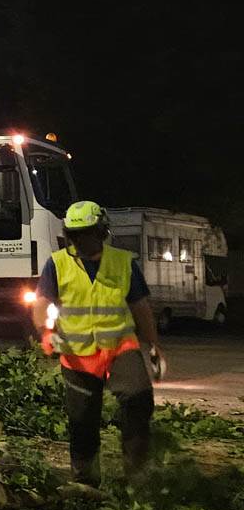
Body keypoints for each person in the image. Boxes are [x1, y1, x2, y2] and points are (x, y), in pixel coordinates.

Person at [31, 201, 161, 485]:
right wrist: (46, 330)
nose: (78, 241)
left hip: (119, 347)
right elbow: (42, 302)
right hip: (76, 355)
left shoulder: (124, 262)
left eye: (85, 234)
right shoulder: (57, 263)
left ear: (101, 232)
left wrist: (152, 347)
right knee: (82, 420)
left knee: (138, 399)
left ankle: (137, 476)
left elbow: (141, 308)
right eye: (74, 235)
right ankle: (85, 481)